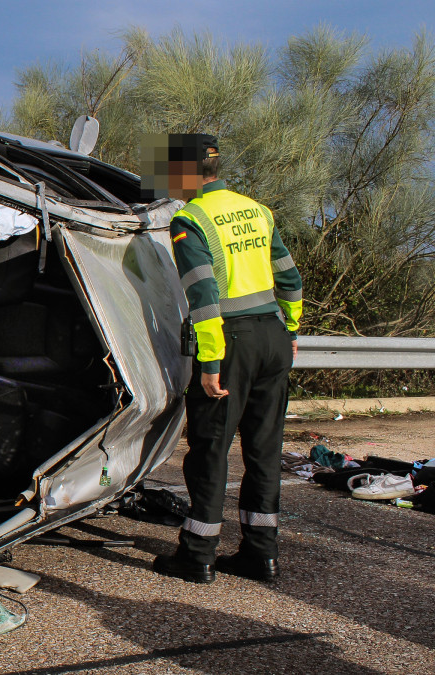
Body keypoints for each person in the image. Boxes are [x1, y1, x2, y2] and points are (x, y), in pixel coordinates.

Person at [151, 134, 303, 584]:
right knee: (264, 448)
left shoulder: (189, 220)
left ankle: (197, 555)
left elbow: (203, 298)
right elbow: (289, 277)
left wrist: (212, 363)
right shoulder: (259, 210)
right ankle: (261, 554)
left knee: (212, 447)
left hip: (230, 342)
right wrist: (291, 328)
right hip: (273, 335)